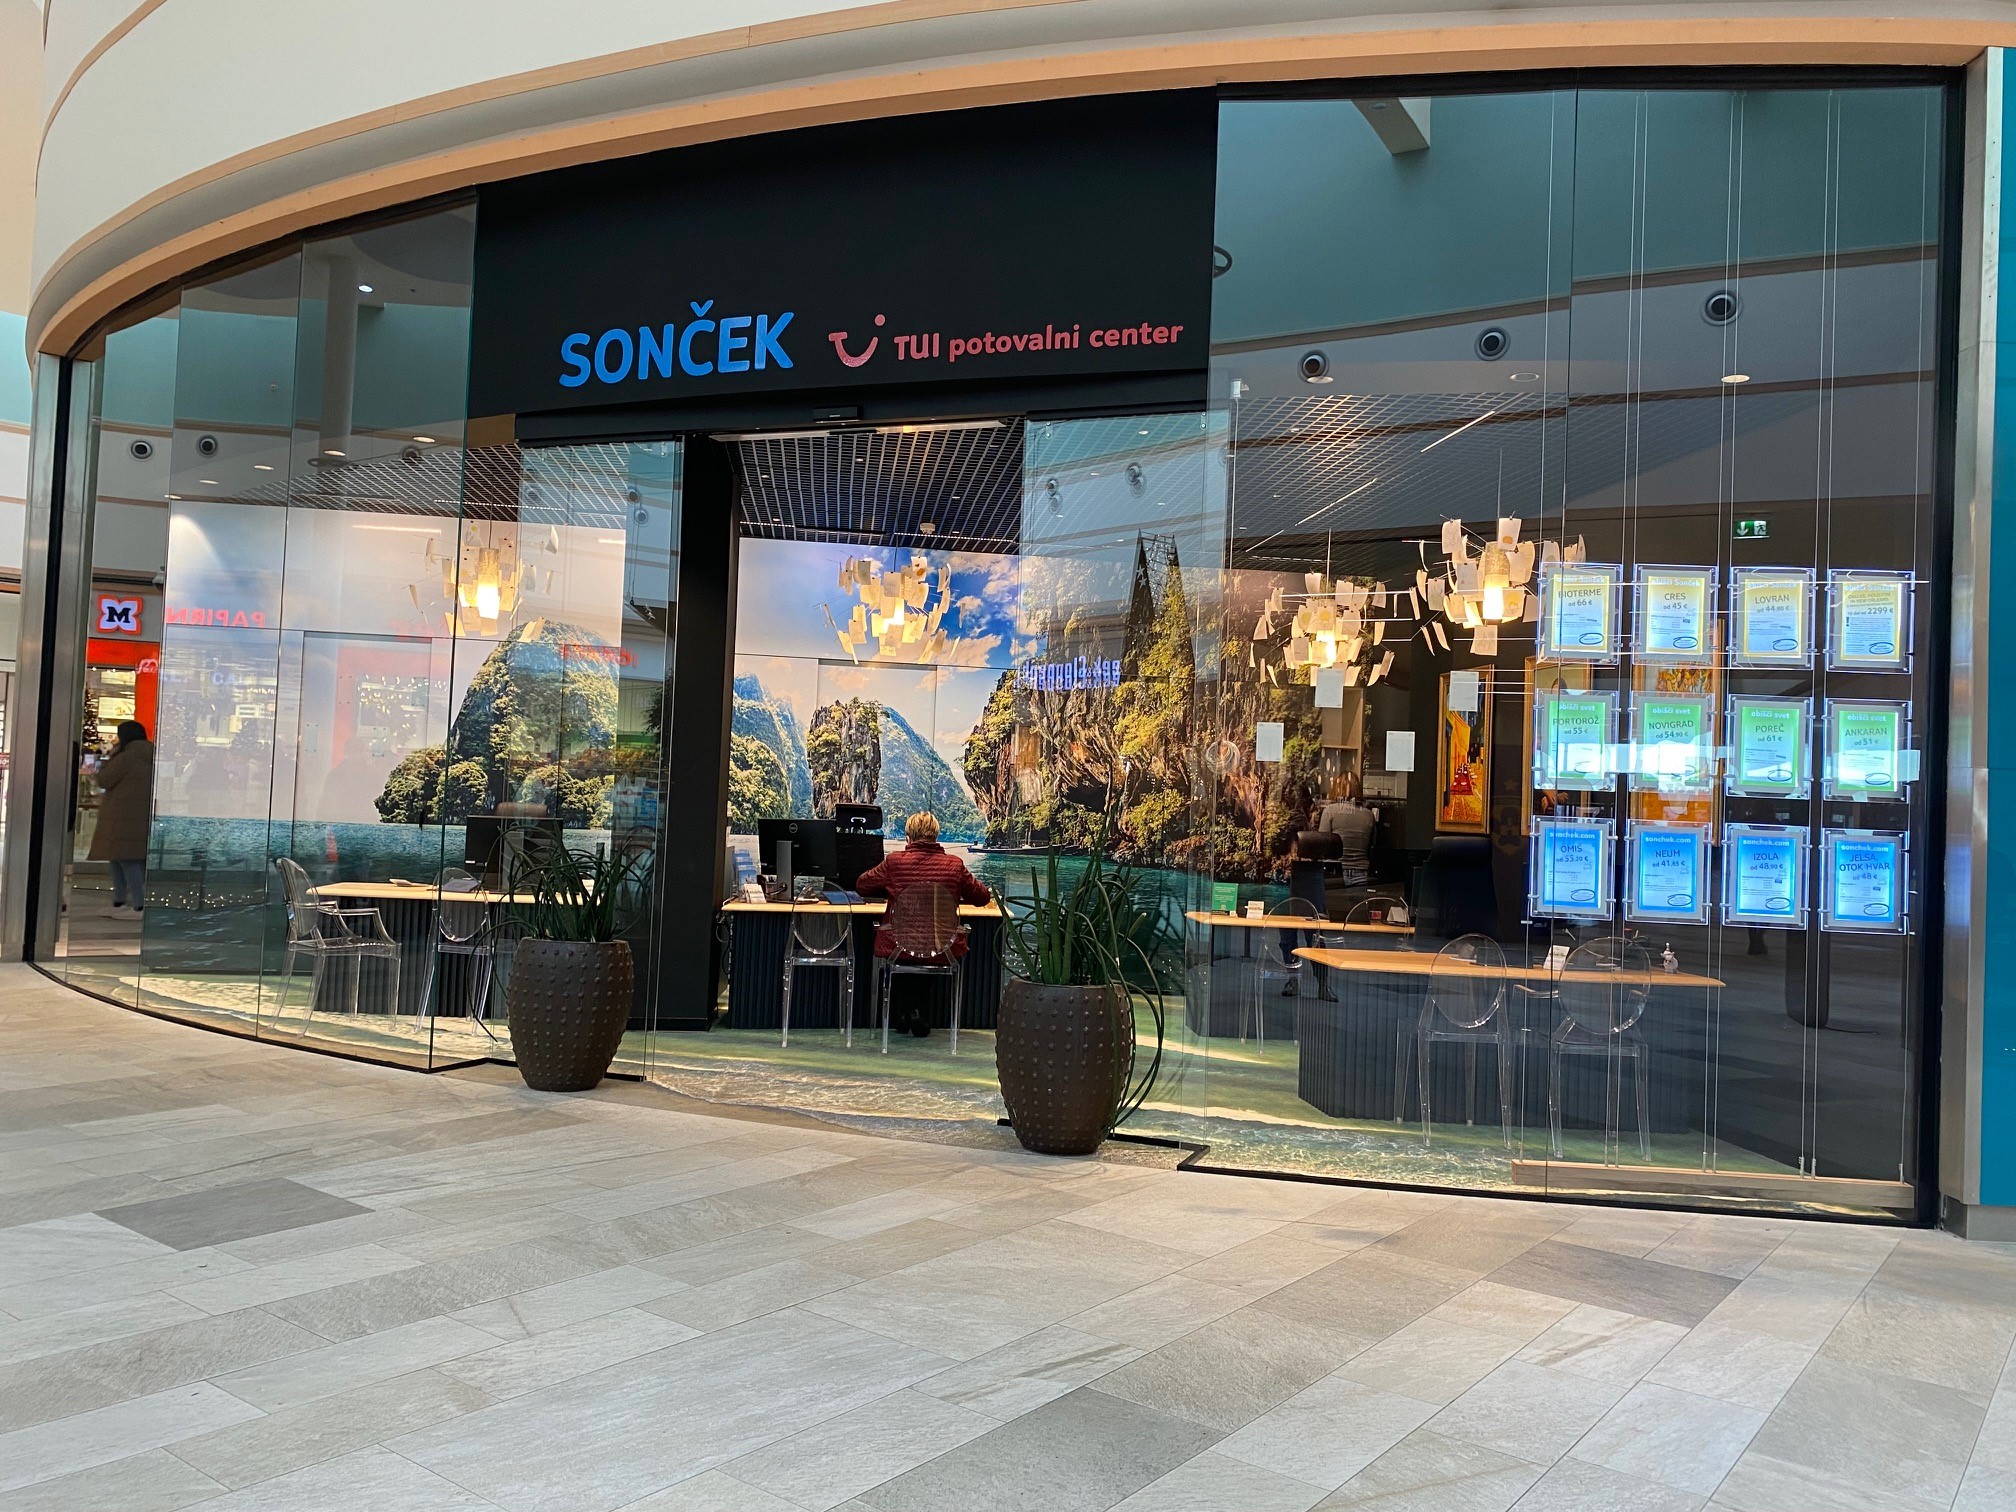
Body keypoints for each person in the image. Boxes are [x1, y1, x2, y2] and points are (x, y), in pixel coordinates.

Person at [855, 812, 990, 1036]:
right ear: (936, 836)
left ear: (908, 837)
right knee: (927, 946)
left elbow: (862, 885)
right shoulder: (954, 865)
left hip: (897, 945)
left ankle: (904, 1011)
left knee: (908, 948)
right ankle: (915, 1010)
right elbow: (982, 897)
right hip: (941, 947)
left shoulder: (894, 862)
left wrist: (891, 887)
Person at [89, 720, 154, 918]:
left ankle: (133, 903)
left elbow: (105, 779)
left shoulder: (126, 757)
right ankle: (127, 902)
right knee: (128, 859)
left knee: (122, 859)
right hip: (140, 816)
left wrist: (112, 756)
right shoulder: (151, 754)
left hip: (121, 816)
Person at [1315, 773, 1376, 887]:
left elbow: (1323, 844)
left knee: (1334, 904)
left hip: (1335, 872)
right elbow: (1372, 844)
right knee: (1358, 904)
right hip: (1361, 871)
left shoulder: (1330, 811)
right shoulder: (1368, 814)